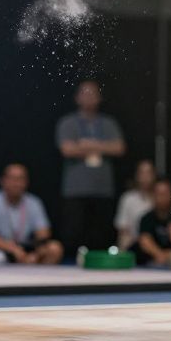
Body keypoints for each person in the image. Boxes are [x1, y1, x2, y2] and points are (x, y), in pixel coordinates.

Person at [55, 80, 126, 252]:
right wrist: (102, 146)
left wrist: (87, 144)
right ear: (77, 98)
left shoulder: (109, 123)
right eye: (85, 93)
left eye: (93, 93)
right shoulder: (68, 123)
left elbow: (119, 148)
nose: (89, 97)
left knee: (100, 235)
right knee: (74, 233)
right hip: (75, 190)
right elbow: (67, 150)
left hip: (102, 189)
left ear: (100, 98)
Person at [0, 163, 62, 265]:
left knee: (54, 248)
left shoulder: (34, 202)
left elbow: (43, 232)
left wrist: (38, 251)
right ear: (2, 181)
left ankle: (41, 280)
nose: (16, 183)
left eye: (21, 179)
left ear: (26, 182)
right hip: (1, 247)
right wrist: (13, 249)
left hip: (26, 247)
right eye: (12, 178)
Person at [114, 159, 156, 251]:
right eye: (142, 172)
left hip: (156, 246)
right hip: (134, 246)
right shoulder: (127, 198)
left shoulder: (160, 198)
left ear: (154, 175)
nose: (145, 177)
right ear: (136, 175)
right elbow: (123, 229)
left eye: (148, 172)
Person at [137, 178, 171, 265]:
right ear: (153, 195)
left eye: (165, 193)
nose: (162, 197)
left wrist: (170, 255)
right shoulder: (146, 218)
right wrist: (159, 254)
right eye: (159, 194)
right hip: (150, 262)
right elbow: (145, 240)